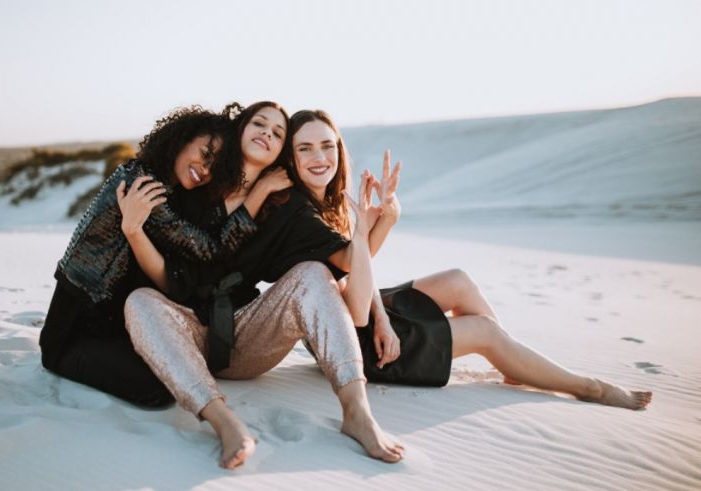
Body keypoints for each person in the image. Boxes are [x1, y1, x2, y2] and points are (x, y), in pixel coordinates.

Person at [288, 109, 653, 410]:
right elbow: (353, 311)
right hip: (351, 344)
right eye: (305, 149)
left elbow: (354, 269)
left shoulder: (329, 201)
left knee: (458, 280)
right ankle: (589, 387)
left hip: (363, 315)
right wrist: (367, 233)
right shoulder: (301, 217)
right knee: (485, 331)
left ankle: (512, 361)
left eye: (327, 145)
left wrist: (388, 216)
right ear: (291, 157)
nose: (320, 157)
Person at [122, 101, 405, 469]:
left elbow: (350, 262)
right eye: (259, 124)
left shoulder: (284, 202)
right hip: (182, 331)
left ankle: (358, 413)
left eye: (277, 134)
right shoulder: (198, 182)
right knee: (139, 301)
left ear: (280, 152)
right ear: (239, 129)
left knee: (312, 273)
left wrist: (385, 218)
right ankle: (225, 424)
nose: (266, 135)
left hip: (245, 336)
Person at [40, 104, 291, 407]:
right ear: (181, 139)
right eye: (205, 153)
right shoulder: (142, 185)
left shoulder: (164, 185)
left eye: (216, 166)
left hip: (106, 324)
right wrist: (260, 191)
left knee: (173, 366)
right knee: (161, 389)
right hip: (72, 331)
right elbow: (207, 248)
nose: (205, 169)